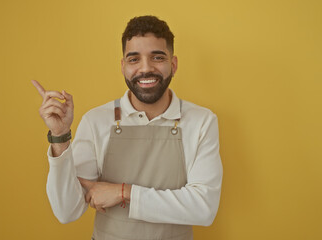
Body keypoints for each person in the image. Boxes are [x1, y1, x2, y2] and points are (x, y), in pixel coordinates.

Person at [32, 15, 223, 240]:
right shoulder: (97, 121)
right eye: (134, 59)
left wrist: (123, 192)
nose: (146, 68)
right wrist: (60, 136)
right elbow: (67, 211)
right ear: (123, 67)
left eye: (157, 57)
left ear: (173, 65)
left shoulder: (201, 121)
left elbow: (203, 209)